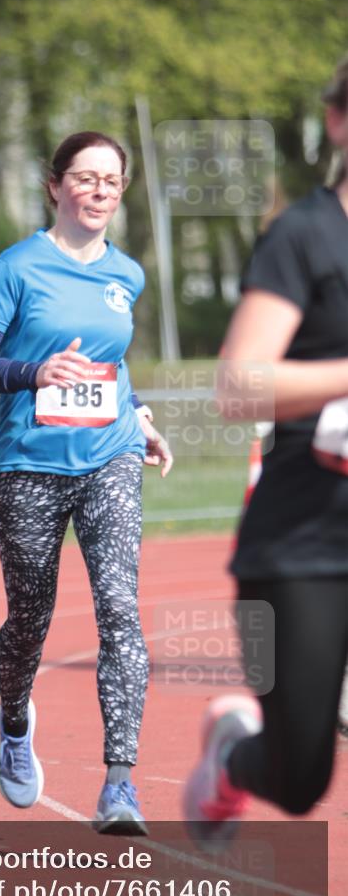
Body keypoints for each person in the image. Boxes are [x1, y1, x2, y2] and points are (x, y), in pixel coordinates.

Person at [0, 131, 173, 834]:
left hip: (107, 458)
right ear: (55, 186)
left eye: (111, 180)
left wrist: (137, 415)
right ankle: (14, 724)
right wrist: (32, 372)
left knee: (119, 609)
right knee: (30, 619)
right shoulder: (16, 267)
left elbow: (112, 364)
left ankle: (119, 785)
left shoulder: (128, 274)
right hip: (29, 466)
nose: (100, 190)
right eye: (85, 178)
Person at [184, 56, 348, 842]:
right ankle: (230, 757)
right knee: (298, 777)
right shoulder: (304, 237)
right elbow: (237, 387)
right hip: (302, 544)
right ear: (337, 121)